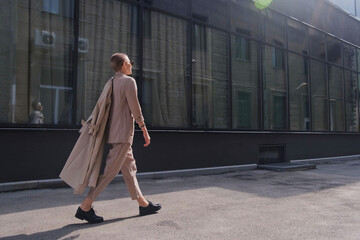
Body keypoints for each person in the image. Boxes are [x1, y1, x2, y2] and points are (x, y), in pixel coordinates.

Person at [74, 53, 161, 223]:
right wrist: (144, 129)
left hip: (114, 134)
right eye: (130, 63)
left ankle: (143, 205)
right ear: (123, 65)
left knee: (130, 169)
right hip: (122, 135)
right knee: (109, 173)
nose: (132, 65)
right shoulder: (129, 82)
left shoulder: (111, 82)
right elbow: (135, 108)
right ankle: (85, 207)